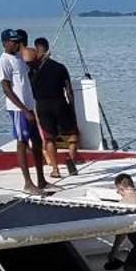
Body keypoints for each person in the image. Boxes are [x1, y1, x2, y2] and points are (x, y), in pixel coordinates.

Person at [0, 28, 47, 193]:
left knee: (37, 142)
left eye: (18, 41)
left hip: (30, 105)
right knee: (22, 142)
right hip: (19, 109)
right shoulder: (3, 61)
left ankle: (41, 180)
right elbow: (6, 89)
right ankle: (27, 182)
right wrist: (23, 109)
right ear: (5, 43)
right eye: (14, 41)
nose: (17, 44)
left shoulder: (19, 58)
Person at [26, 37, 80, 180]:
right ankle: (70, 157)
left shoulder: (32, 71)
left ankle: (55, 169)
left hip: (43, 105)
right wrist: (72, 108)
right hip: (60, 103)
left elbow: (29, 92)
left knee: (49, 138)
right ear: (48, 49)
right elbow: (69, 90)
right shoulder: (60, 67)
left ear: (36, 49)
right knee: (73, 134)